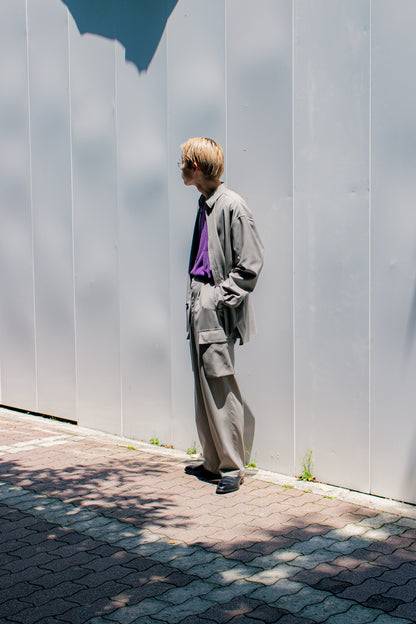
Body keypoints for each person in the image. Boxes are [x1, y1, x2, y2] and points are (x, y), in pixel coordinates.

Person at [180, 137, 264, 494]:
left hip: (215, 305)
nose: (181, 168)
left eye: (184, 162)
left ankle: (232, 467)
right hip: (200, 300)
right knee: (203, 384)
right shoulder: (206, 204)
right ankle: (214, 461)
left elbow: (250, 265)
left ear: (197, 166)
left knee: (220, 381)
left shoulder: (232, 206)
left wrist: (216, 299)